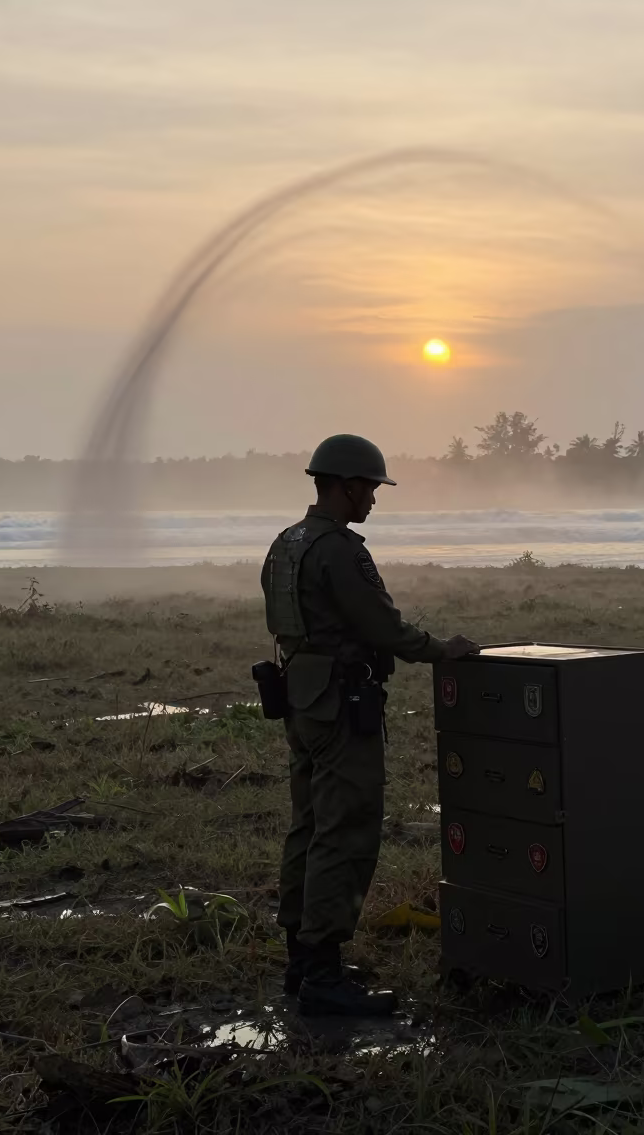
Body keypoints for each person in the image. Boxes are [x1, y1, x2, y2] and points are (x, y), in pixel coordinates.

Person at [262, 434, 479, 1016]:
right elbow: (384, 627)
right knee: (346, 829)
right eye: (372, 491)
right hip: (340, 700)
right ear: (349, 486)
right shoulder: (339, 550)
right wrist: (442, 650)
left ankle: (301, 961)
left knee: (306, 826)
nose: (374, 502)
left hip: (303, 697)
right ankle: (324, 974)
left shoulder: (287, 543)